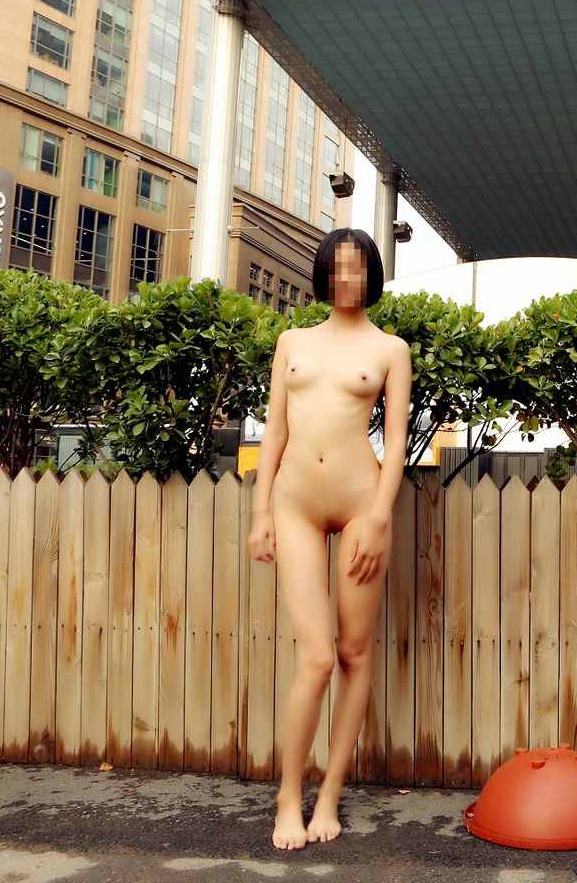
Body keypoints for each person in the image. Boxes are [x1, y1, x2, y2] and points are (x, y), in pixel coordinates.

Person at [245, 227, 412, 850]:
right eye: (338, 268)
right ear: (323, 273)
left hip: (360, 501)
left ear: (372, 275)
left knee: (353, 655)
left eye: (358, 268)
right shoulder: (292, 341)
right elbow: (274, 431)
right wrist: (260, 512)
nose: (347, 279)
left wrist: (378, 517)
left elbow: (396, 442)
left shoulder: (390, 349)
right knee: (316, 657)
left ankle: (331, 794)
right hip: (294, 504)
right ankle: (289, 796)